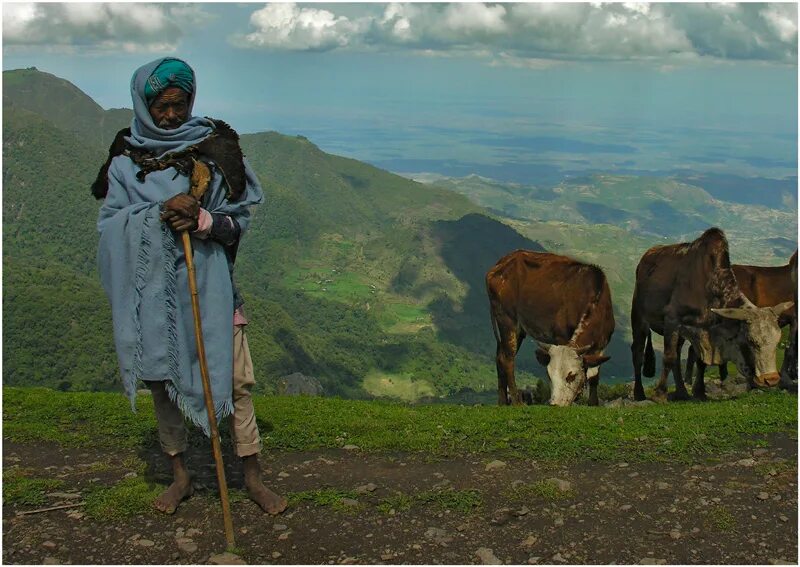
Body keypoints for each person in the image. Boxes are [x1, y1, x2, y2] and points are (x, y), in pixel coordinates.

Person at [94, 57, 287, 515]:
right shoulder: (124, 162)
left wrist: (200, 218)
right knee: (162, 384)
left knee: (237, 381)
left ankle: (252, 476)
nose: (171, 116)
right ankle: (180, 476)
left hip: (212, 287)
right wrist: (159, 210)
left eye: (179, 105)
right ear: (144, 104)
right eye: (161, 106)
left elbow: (236, 225)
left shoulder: (214, 149)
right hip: (154, 294)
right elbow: (109, 227)